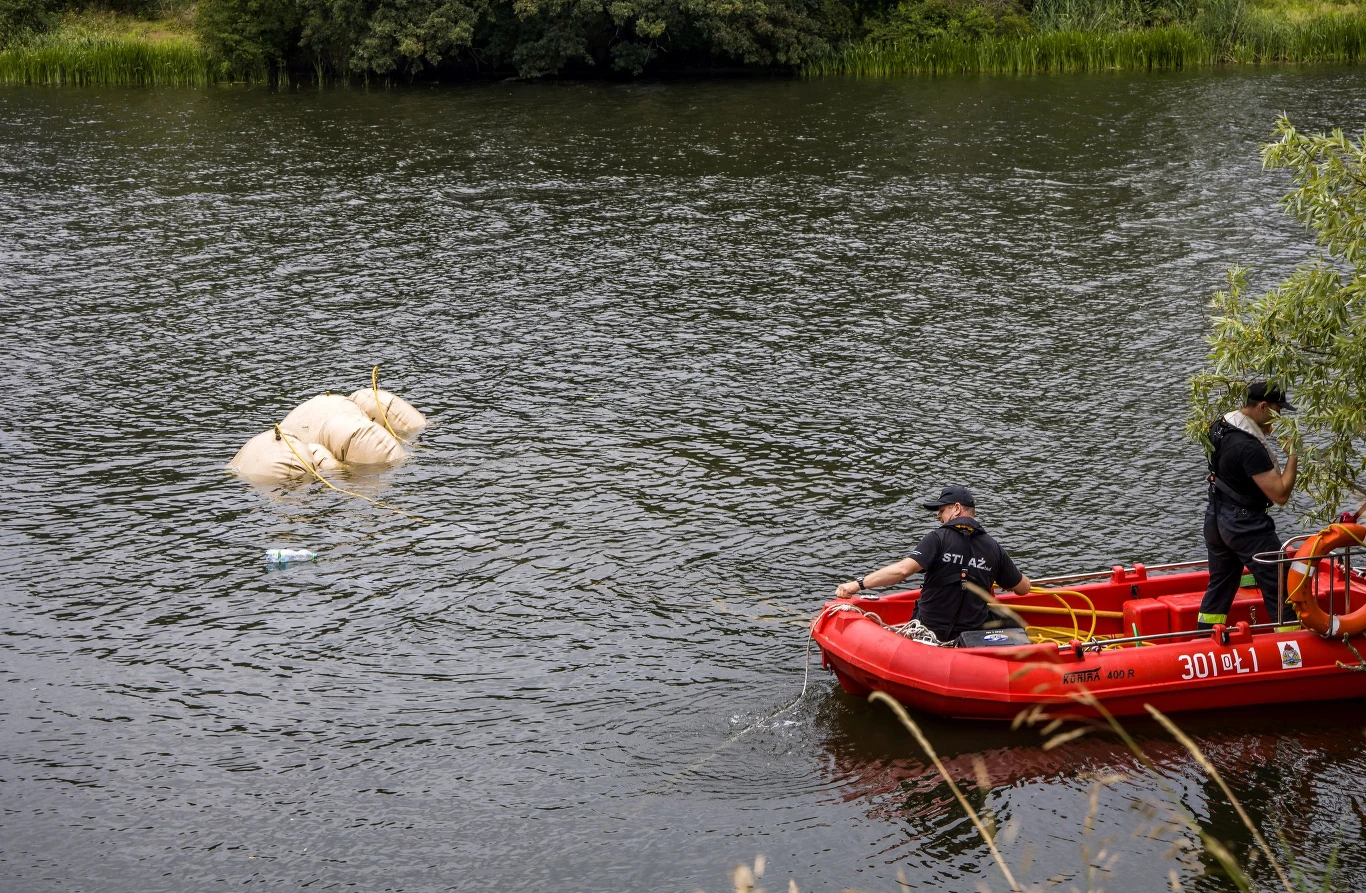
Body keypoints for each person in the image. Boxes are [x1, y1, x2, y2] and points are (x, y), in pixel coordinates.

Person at [834, 486, 1032, 644]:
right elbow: (1023, 588)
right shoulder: (993, 548)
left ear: (956, 508)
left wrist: (857, 584)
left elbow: (902, 570)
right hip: (971, 630)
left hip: (929, 629)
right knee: (1013, 623)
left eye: (942, 510)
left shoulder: (936, 539)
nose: (938, 515)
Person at [1197, 381, 1298, 630]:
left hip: (1216, 518)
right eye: (1278, 410)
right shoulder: (1249, 448)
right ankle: (1292, 654)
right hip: (1245, 525)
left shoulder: (1219, 427)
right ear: (1263, 407)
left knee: (1221, 585)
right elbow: (1281, 493)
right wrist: (1294, 453)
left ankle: (1203, 642)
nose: (1281, 417)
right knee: (1281, 583)